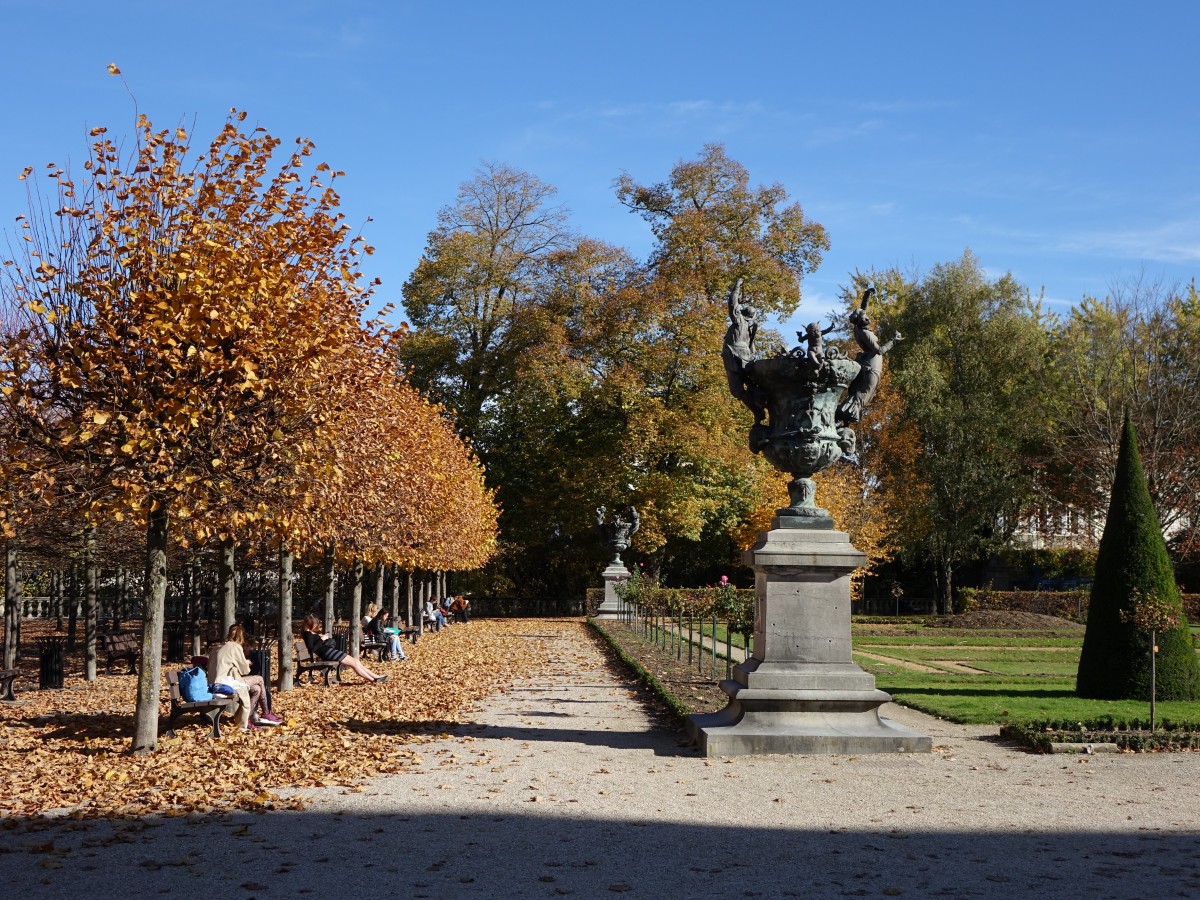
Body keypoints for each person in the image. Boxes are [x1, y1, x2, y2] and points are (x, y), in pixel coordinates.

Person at [207, 623, 282, 731]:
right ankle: (266, 713)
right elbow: (245, 670)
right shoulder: (235, 647)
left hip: (214, 683)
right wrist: (247, 662)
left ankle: (246, 720)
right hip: (225, 684)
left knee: (256, 689)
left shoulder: (217, 647)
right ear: (241, 636)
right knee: (259, 679)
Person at [300, 614, 388, 684]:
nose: (316, 625)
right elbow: (311, 650)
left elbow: (315, 645)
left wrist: (322, 639)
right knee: (354, 664)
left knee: (356, 661)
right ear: (310, 623)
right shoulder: (307, 634)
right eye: (315, 623)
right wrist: (322, 639)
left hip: (329, 652)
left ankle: (375, 676)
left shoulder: (309, 633)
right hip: (327, 654)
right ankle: (373, 679)